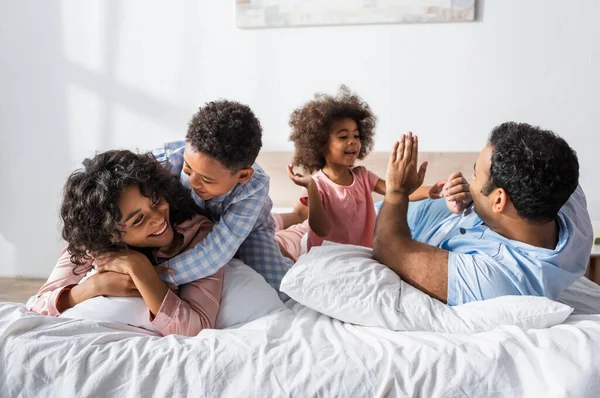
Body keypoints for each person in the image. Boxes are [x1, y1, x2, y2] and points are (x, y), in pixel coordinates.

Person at [374, 123, 593, 306]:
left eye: (475, 174)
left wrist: (397, 191)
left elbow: (388, 247)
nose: (471, 180)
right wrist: (478, 198)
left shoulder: (498, 279)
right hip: (435, 211)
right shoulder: (563, 191)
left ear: (499, 200)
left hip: (389, 222)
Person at [28, 150, 224, 336]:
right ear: (110, 235)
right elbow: (36, 308)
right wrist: (95, 286)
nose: (157, 218)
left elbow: (198, 328)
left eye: (155, 201)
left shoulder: (198, 234)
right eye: (138, 220)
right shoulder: (92, 243)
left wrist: (139, 268)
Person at [123, 100, 293, 298]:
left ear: (243, 176)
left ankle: (285, 246)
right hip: (191, 224)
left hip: (248, 230)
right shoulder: (166, 159)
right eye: (188, 169)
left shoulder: (253, 187)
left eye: (206, 179)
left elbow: (216, 253)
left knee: (281, 290)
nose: (193, 181)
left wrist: (154, 277)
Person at [286, 85, 470, 251]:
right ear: (321, 144)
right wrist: (310, 186)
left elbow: (396, 191)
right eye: (343, 137)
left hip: (361, 254)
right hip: (328, 257)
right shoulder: (318, 185)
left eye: (356, 136)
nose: (352, 141)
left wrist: (432, 191)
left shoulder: (363, 176)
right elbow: (321, 229)